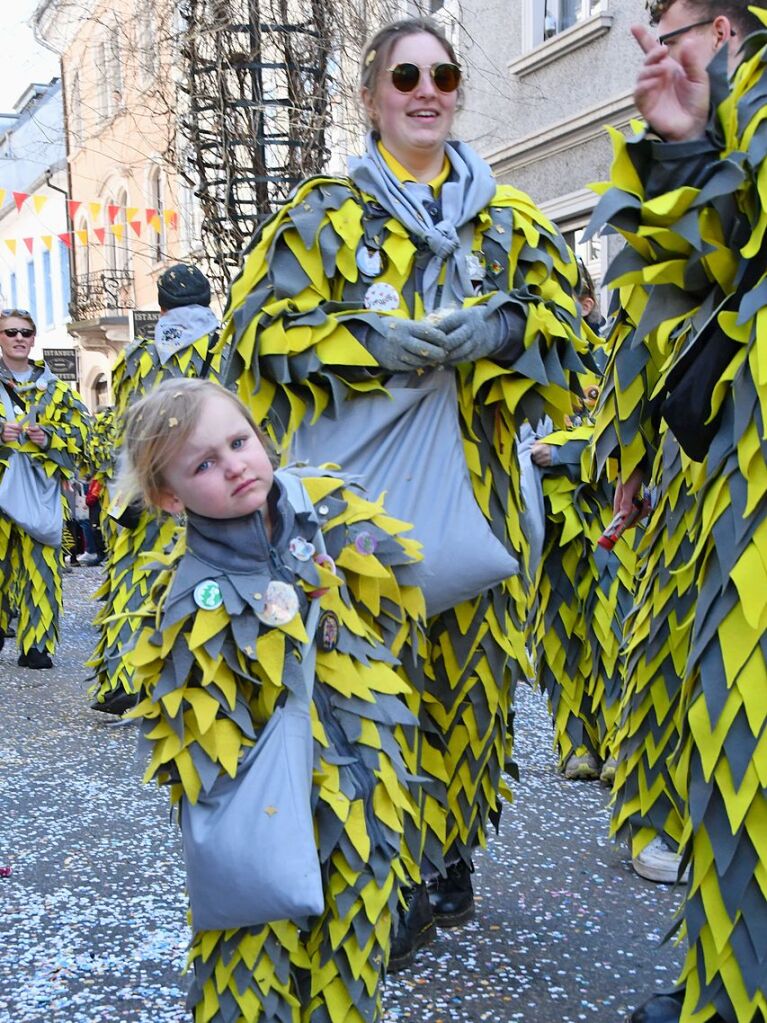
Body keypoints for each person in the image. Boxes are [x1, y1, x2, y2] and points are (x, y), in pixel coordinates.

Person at [220, 16, 588, 969]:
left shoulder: (511, 220)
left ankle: (445, 851)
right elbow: (254, 339)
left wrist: (503, 328)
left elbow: (570, 339)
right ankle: (378, 867)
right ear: (373, 95)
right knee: (364, 682)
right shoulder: (319, 211)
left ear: (458, 90)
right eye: (405, 76)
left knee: (468, 680)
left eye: (443, 75)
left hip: (477, 498)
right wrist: (364, 340)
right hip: (357, 505)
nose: (426, 91)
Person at [121, 377, 423, 1023]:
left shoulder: (329, 514)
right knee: (250, 961)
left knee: (352, 947)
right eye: (204, 462)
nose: (233, 466)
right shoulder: (190, 599)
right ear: (168, 497)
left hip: (361, 791)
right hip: (265, 814)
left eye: (239, 440)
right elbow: (202, 754)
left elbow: (395, 609)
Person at [587, 2, 767, 1020]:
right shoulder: (723, 116)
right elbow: (707, 276)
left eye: (672, 26)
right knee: (726, 725)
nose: (657, 49)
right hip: (722, 483)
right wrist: (691, 145)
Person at [89, 264, 224, 713]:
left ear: (161, 307)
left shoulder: (136, 357)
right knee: (206, 577)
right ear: (207, 302)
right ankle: (195, 678)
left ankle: (126, 678)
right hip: (209, 484)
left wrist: (121, 490)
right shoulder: (227, 351)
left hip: (147, 484)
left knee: (133, 577)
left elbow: (124, 429)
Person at [0, 308, 89, 668]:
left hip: (42, 490)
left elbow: (84, 432)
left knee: (43, 568)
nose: (19, 338)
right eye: (10, 332)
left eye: (25, 332)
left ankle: (37, 646)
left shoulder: (55, 388)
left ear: (34, 338)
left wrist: (49, 436)